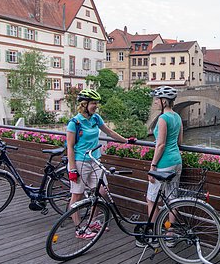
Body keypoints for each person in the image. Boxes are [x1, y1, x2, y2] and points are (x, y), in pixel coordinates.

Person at [66, 88, 134, 239]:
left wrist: (126, 141)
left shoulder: (96, 118)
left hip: (95, 160)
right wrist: (72, 168)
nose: (96, 106)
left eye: (96, 103)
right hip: (79, 162)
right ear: (84, 104)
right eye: (93, 103)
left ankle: (92, 221)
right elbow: (70, 147)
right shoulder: (74, 123)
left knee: (102, 191)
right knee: (76, 196)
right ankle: (79, 228)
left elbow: (109, 132)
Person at [142, 86, 183, 247]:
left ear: (164, 101)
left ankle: (155, 233)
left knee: (151, 199)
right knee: (172, 199)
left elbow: (160, 145)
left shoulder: (163, 118)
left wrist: (152, 166)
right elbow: (179, 142)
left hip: (163, 163)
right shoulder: (177, 117)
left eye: (157, 99)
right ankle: (170, 235)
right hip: (177, 162)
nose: (156, 102)